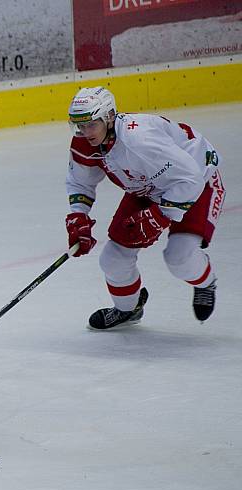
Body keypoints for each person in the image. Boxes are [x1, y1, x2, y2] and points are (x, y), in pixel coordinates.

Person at [65, 86, 226, 329]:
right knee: (113, 259)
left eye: (91, 124)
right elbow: (80, 180)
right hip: (146, 186)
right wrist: (79, 216)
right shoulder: (85, 141)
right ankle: (128, 310)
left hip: (195, 183)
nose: (85, 132)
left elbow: (190, 178)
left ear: (108, 117)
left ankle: (206, 283)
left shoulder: (138, 140)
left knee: (179, 257)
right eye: (80, 125)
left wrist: (160, 216)